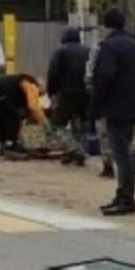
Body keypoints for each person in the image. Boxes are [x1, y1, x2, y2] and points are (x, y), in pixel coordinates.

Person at [89, 7, 135, 216]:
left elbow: (105, 77)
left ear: (107, 26)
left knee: (121, 155)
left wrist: (95, 104)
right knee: (126, 151)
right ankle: (123, 194)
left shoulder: (109, 47)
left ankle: (126, 198)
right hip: (132, 105)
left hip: (115, 107)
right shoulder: (134, 46)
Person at [86, 36, 135, 179]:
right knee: (128, 135)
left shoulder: (102, 47)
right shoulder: (134, 47)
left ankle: (109, 166)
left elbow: (94, 74)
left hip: (109, 101)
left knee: (106, 133)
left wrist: (94, 97)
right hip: (131, 99)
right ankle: (132, 159)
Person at [46, 27, 90, 166]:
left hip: (66, 94)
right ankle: (79, 151)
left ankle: (75, 150)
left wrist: (51, 92)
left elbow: (53, 73)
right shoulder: (88, 51)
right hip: (86, 94)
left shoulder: (60, 51)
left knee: (56, 126)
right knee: (81, 125)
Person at [0, 73, 48, 157]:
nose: (38, 96)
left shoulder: (18, 86)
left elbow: (26, 112)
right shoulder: (32, 85)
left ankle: (5, 143)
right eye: (40, 94)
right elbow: (33, 107)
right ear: (40, 87)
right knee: (12, 115)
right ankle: (10, 146)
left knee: (3, 114)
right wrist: (46, 125)